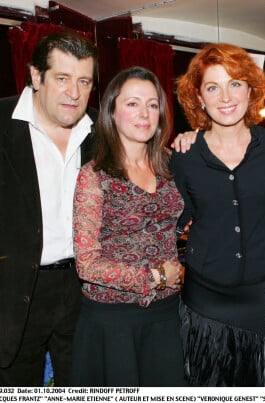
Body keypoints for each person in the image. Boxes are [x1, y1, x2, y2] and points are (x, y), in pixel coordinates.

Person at [0, 30, 99, 386]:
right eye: (63, 78)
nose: (74, 92)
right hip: (9, 294)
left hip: (83, 292)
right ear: (36, 76)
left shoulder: (101, 132)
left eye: (84, 80)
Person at [169, 42, 265, 386]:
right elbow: (176, 219)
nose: (225, 97)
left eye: (235, 84)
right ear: (199, 97)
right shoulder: (183, 154)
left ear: (250, 91)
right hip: (206, 300)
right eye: (213, 87)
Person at [70, 66, 185, 386]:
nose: (144, 113)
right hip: (113, 322)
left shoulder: (172, 166)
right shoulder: (94, 176)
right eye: (133, 103)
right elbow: (87, 265)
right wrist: (155, 277)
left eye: (152, 104)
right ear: (112, 112)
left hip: (166, 315)